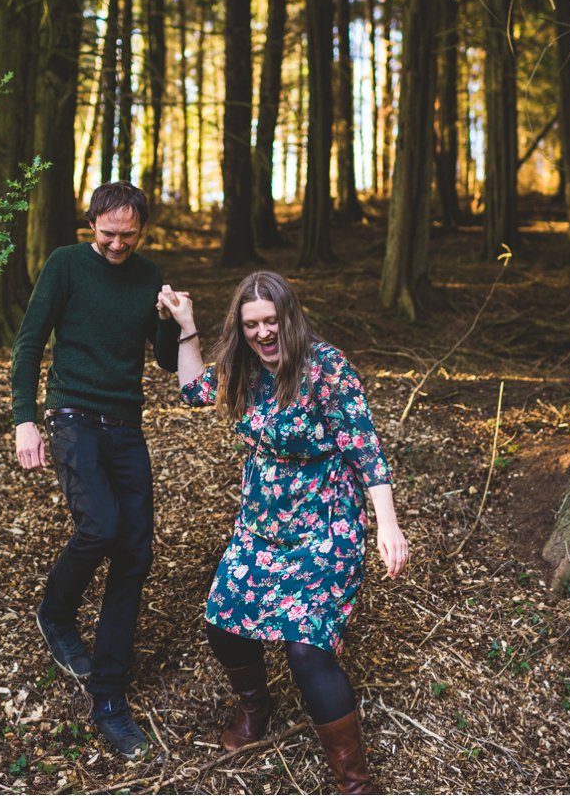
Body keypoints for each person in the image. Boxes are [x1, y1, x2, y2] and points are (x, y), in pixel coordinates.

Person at [159, 270, 409, 794]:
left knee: (305, 648)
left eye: (271, 321)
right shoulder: (243, 367)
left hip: (326, 525)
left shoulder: (325, 368)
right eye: (252, 324)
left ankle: (354, 779)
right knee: (223, 623)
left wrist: (386, 523)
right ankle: (256, 707)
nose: (263, 333)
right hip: (261, 527)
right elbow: (191, 390)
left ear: (288, 318)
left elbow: (365, 447)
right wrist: (186, 326)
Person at [11, 181, 180, 760]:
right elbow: (30, 343)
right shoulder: (64, 266)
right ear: (91, 226)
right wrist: (24, 420)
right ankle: (56, 613)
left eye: (127, 235)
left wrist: (171, 319)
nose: (116, 244)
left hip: (125, 423)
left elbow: (160, 359)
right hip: (73, 415)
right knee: (100, 527)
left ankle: (108, 697)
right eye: (107, 234)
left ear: (142, 230)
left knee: (135, 551)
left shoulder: (149, 275)